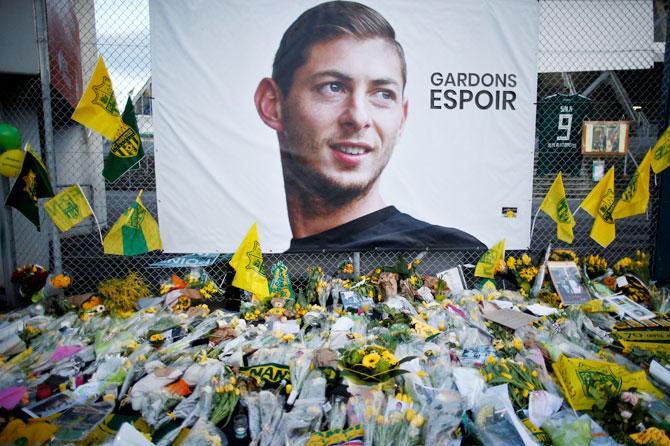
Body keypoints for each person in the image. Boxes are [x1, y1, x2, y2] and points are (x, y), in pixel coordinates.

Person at [254, 0, 484, 252]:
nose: (359, 117)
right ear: (272, 104)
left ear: (402, 118)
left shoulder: (450, 257)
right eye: (333, 87)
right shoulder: (245, 276)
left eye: (383, 94)